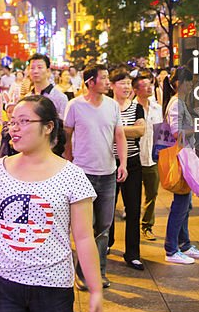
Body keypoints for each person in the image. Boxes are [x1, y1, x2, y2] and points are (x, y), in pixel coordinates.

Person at [0, 95, 102, 312]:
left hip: (52, 284)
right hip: (2, 282)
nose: (14, 129)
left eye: (24, 122)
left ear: (48, 127)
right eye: (12, 122)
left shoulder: (72, 176)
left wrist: (95, 289)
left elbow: (84, 237)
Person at [64, 65, 128, 288]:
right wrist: (69, 164)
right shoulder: (74, 106)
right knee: (84, 227)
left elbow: (119, 135)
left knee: (103, 227)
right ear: (90, 82)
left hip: (108, 174)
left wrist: (123, 163)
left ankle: (99, 272)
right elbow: (67, 136)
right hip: (82, 175)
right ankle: (83, 274)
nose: (108, 82)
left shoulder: (112, 106)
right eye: (104, 78)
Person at [160, 66, 199, 265]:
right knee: (181, 205)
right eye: (189, 82)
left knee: (185, 204)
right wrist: (198, 126)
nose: (191, 85)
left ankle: (184, 244)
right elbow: (175, 132)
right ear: (180, 83)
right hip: (181, 158)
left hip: (184, 156)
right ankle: (172, 249)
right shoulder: (176, 104)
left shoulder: (178, 102)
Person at [108, 68, 146, 269]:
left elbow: (141, 130)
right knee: (107, 208)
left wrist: (116, 130)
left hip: (132, 162)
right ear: (112, 85)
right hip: (108, 163)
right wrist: (126, 131)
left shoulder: (137, 108)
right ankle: (107, 243)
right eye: (121, 82)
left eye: (128, 83)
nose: (125, 87)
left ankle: (132, 253)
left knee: (133, 209)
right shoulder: (106, 106)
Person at [134, 73, 163, 241]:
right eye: (144, 85)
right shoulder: (129, 108)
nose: (149, 87)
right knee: (133, 195)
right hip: (135, 157)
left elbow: (161, 133)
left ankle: (147, 225)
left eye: (150, 84)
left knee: (152, 193)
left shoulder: (157, 108)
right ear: (136, 89)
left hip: (152, 158)